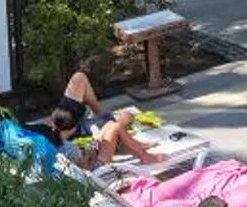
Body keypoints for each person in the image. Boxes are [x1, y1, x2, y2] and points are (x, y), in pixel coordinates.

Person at [26, 69, 157, 166]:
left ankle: (138, 147)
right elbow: (85, 166)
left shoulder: (55, 142)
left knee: (111, 126)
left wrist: (93, 145)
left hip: (89, 152)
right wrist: (92, 151)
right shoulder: (68, 148)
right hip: (96, 165)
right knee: (116, 126)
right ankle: (144, 156)